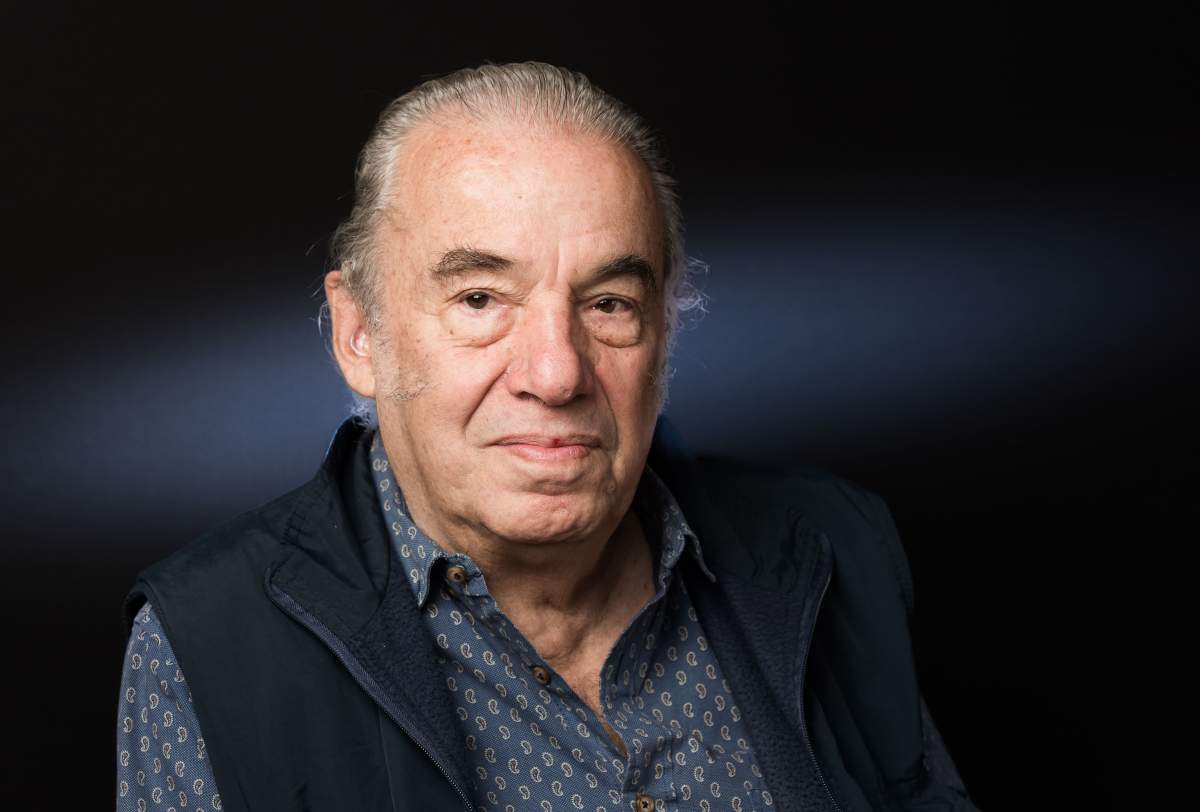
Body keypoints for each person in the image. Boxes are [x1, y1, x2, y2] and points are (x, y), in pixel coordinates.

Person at [116, 62, 979, 812]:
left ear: (663, 336)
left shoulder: (834, 550)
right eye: (480, 300)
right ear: (359, 334)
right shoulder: (207, 646)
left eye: (608, 304)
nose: (557, 373)